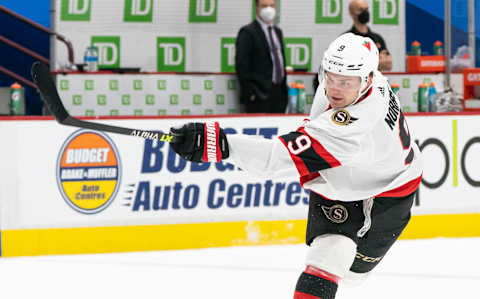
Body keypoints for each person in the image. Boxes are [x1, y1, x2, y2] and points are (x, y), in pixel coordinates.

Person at [169, 33, 422, 299]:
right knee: (329, 255)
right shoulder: (366, 78)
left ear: (368, 79)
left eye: (344, 82)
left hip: (389, 192)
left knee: (354, 276)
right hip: (343, 180)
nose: (334, 89)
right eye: (330, 76)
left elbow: (274, 161)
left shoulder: (354, 123)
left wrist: (219, 144)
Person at [235, 0, 288, 113]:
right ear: (257, 8)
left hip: (279, 93)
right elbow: (241, 65)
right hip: (258, 96)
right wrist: (250, 93)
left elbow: (280, 60)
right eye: (264, 6)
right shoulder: (248, 32)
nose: (268, 9)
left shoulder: (277, 32)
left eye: (272, 6)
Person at [346, 0, 392, 71]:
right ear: (351, 14)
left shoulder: (377, 38)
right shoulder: (346, 39)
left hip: (375, 80)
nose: (365, 12)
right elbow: (345, 65)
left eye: (366, 9)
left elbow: (388, 65)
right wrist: (376, 62)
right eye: (360, 9)